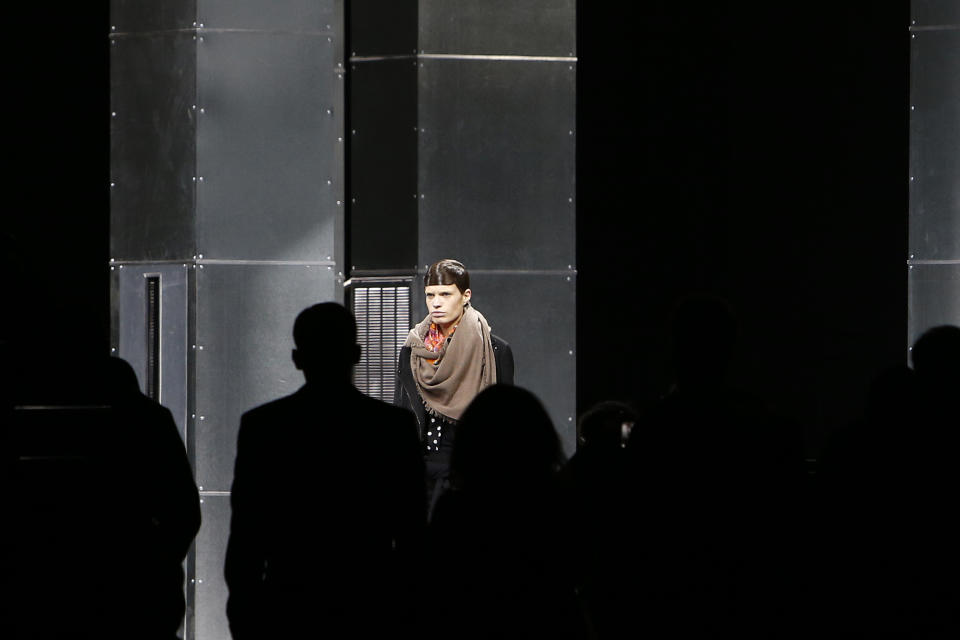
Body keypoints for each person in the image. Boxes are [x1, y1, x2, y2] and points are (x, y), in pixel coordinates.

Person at [224, 303, 426, 639]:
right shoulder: (393, 428)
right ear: (357, 354)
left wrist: (245, 616)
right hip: (370, 606)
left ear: (297, 358)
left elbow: (247, 535)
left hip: (288, 606)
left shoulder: (264, 428)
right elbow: (412, 534)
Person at [395, 259, 514, 514]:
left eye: (446, 294)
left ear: (465, 296)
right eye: (430, 295)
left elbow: (506, 424)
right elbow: (403, 414)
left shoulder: (495, 350)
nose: (436, 302)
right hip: (421, 476)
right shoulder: (412, 350)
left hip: (473, 476)